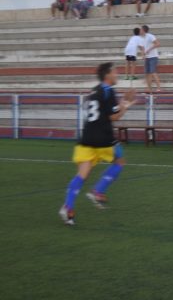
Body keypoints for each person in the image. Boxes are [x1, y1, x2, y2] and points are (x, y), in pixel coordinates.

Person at [58, 62, 135, 225]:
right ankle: (98, 191)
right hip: (103, 139)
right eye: (115, 72)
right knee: (119, 161)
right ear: (107, 75)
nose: (117, 74)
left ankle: (68, 207)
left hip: (86, 138)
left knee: (82, 175)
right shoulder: (108, 91)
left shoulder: (94, 91)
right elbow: (114, 117)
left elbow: (105, 111)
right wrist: (126, 105)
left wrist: (120, 104)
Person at [140, 25, 160, 93]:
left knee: (153, 72)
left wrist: (149, 49)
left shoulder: (150, 36)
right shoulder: (142, 38)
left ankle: (158, 88)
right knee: (147, 73)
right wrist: (143, 55)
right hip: (147, 57)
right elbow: (143, 48)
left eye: (141, 29)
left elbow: (157, 44)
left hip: (153, 56)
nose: (140, 31)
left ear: (143, 30)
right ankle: (149, 88)